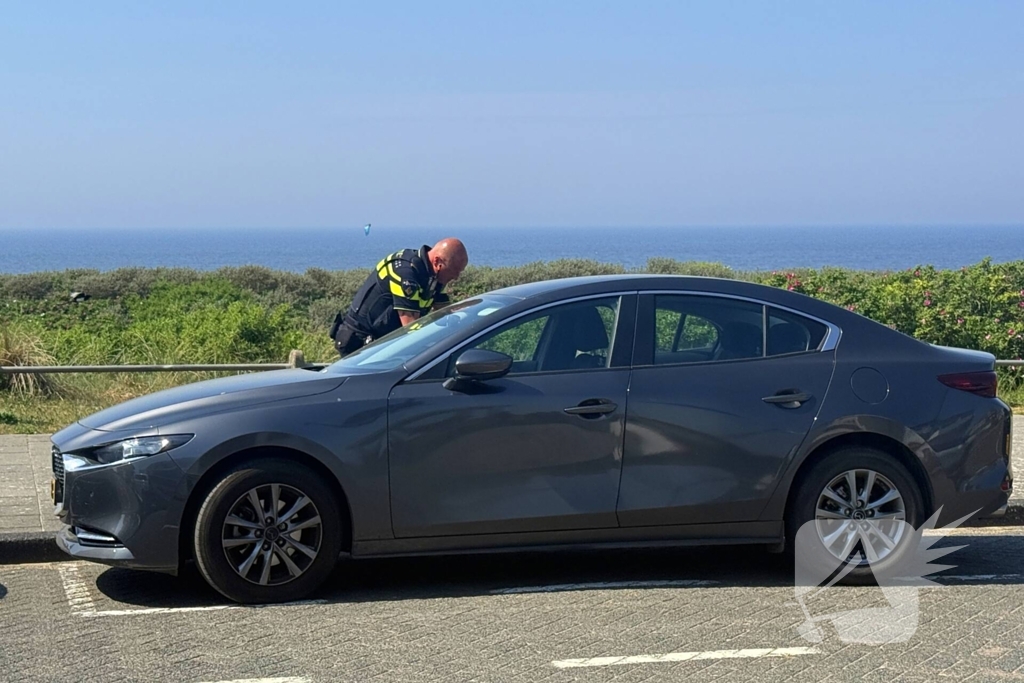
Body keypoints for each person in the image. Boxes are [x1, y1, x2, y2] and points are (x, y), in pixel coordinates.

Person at [331, 238, 468, 356]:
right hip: (359, 346)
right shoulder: (405, 273)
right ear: (437, 261)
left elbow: (444, 313)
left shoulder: (433, 274)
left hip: (383, 344)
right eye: (454, 271)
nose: (456, 277)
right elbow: (411, 328)